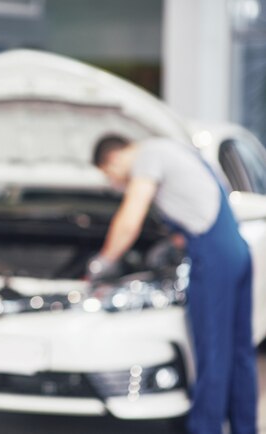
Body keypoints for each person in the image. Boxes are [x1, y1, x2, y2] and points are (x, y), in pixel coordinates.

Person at [88, 134, 256, 434]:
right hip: (237, 252)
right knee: (239, 352)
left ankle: (206, 429)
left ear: (114, 159)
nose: (115, 183)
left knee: (212, 353)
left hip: (214, 257)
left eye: (109, 175)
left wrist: (99, 264)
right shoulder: (172, 149)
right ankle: (245, 427)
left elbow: (129, 221)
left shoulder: (147, 157)